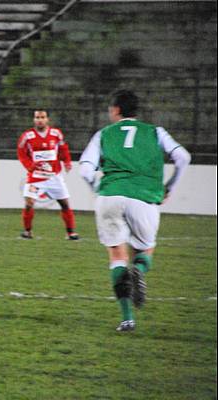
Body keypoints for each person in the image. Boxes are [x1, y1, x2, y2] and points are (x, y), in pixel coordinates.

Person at [79, 89, 191, 332]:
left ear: (116, 110)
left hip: (110, 196)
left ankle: (127, 318)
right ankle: (138, 270)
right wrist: (168, 187)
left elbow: (85, 170)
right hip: (144, 198)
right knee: (144, 249)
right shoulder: (155, 132)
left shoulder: (104, 134)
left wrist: (101, 188)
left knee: (117, 257)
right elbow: (183, 157)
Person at [17, 109, 79, 240]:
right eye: (37, 117)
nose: (40, 120)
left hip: (54, 177)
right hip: (36, 177)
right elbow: (21, 153)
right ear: (34, 120)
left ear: (47, 119)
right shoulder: (27, 136)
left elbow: (63, 149)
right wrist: (29, 166)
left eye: (42, 117)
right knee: (29, 203)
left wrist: (67, 162)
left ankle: (71, 232)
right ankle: (27, 231)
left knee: (65, 204)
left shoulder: (56, 134)